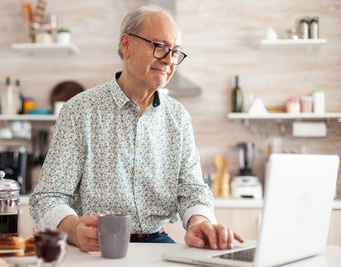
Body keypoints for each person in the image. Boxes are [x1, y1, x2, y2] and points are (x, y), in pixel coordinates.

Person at [30, 5, 243, 252]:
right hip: (96, 248)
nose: (168, 60)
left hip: (157, 243)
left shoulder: (178, 117)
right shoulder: (80, 111)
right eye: (160, 46)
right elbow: (47, 198)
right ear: (126, 45)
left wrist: (200, 221)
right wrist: (75, 230)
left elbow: (192, 191)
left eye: (175, 52)